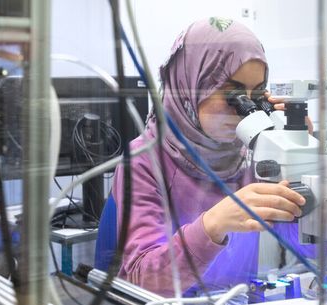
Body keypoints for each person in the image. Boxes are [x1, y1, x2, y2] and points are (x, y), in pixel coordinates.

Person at [110, 18, 315, 297]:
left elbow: (308, 249)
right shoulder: (143, 162)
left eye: (256, 96)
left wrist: (302, 159)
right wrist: (212, 225)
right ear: (191, 86)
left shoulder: (254, 155)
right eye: (232, 94)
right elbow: (143, 281)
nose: (245, 109)